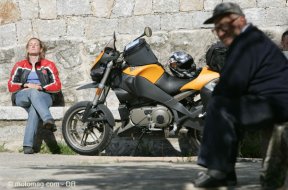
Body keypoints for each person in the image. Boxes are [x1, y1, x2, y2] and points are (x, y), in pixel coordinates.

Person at [193, 2, 288, 188]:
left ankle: (218, 169)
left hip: (277, 104)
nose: (220, 33)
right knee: (224, 108)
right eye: (217, 29)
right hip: (269, 102)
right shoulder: (250, 39)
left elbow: (232, 84)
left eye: (224, 26)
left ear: (241, 21)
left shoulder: (248, 42)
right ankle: (225, 172)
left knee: (220, 106)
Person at [7, 38, 62, 154]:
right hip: (23, 95)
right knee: (32, 92)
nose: (33, 46)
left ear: (40, 48)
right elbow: (11, 85)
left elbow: (57, 85)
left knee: (34, 108)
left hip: (44, 95)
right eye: (30, 45)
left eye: (36, 45)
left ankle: (27, 146)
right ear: (27, 49)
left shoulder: (48, 65)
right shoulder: (20, 65)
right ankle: (48, 119)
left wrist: (41, 87)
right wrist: (26, 85)